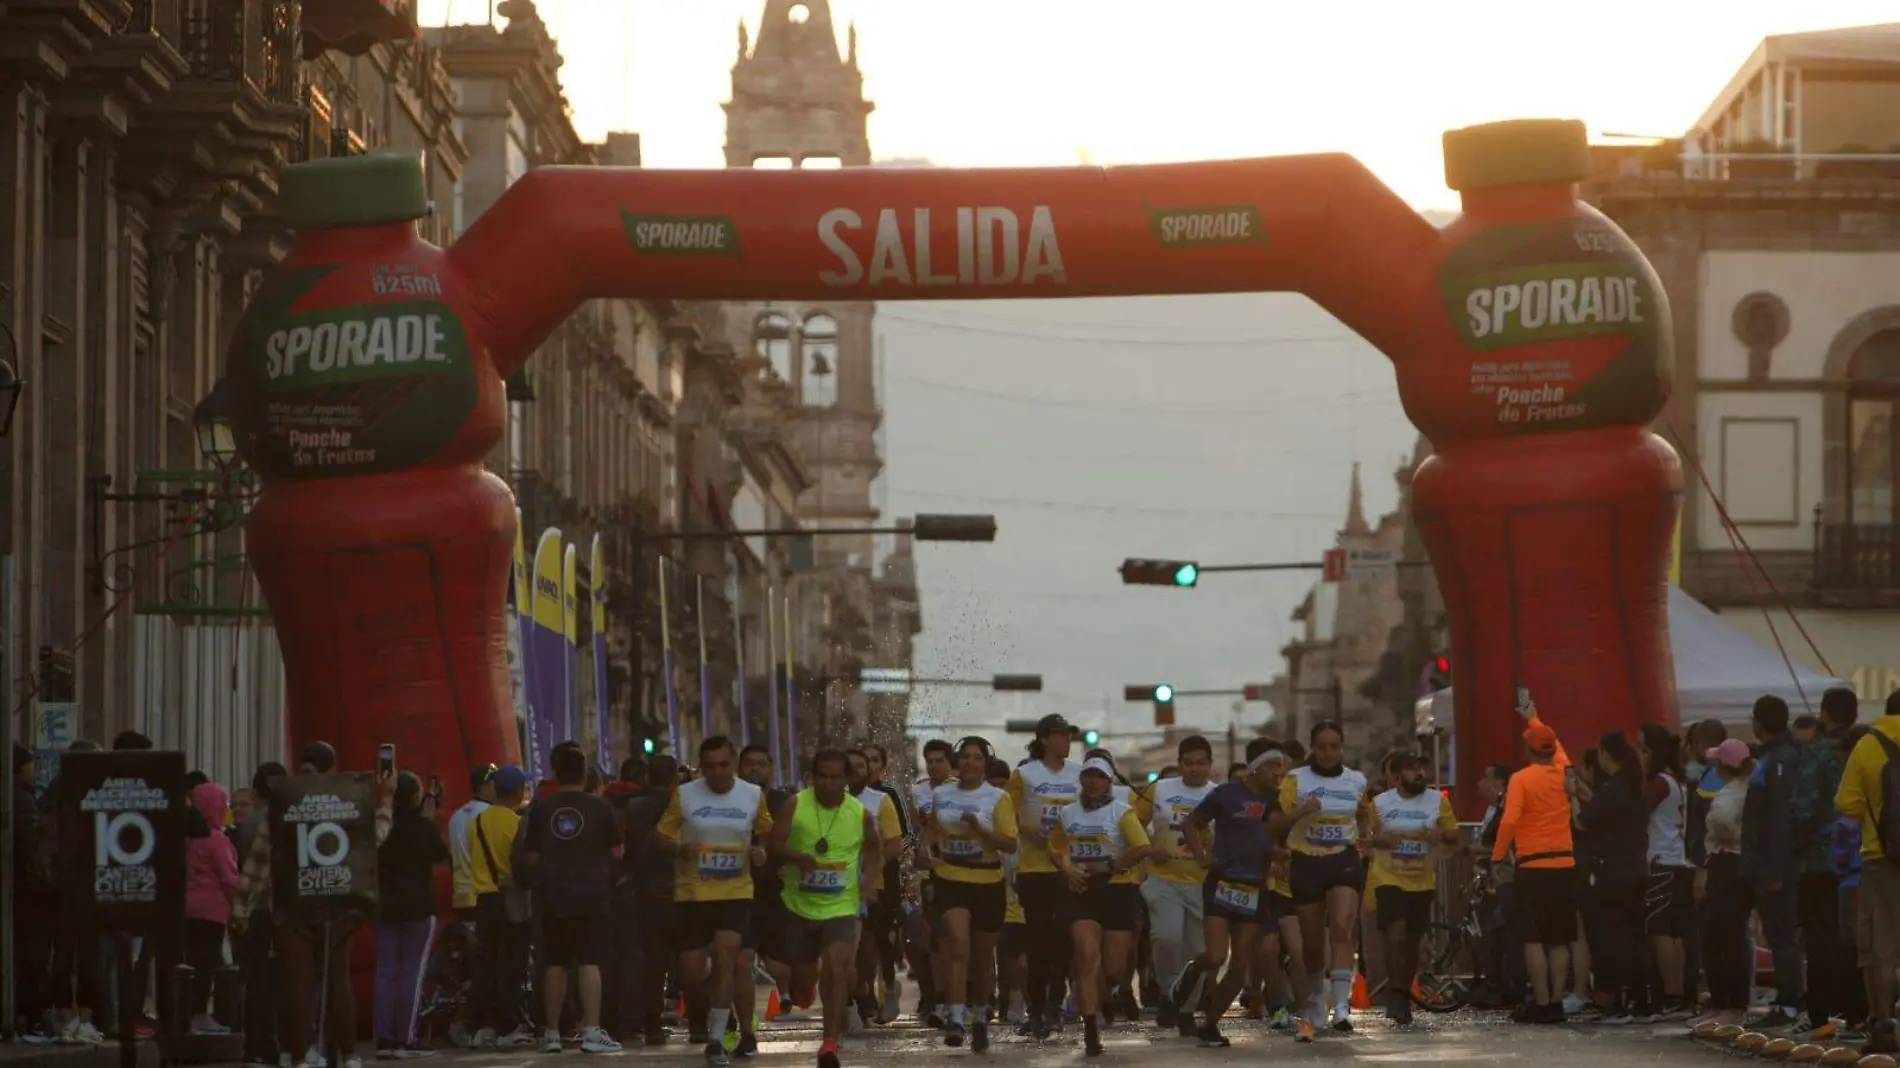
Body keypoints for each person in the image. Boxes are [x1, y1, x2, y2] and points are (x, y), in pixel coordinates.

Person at [231, 742, 394, 1068]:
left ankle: (300, 1054)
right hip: (339, 897)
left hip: (294, 900)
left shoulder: (285, 800)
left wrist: (240, 908)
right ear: (332, 767)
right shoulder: (348, 797)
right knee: (338, 979)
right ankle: (348, 1054)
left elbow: (260, 862)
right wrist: (386, 797)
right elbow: (376, 835)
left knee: (297, 980)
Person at [656, 736, 774, 1068]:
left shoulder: (752, 795)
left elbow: (766, 831)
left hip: (735, 893)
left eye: (724, 765)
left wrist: (761, 850)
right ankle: (715, 1004)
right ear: (701, 767)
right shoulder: (685, 795)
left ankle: (716, 1039)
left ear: (733, 763)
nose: (718, 772)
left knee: (727, 961)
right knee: (692, 974)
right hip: (692, 894)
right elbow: (661, 836)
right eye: (710, 766)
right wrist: (679, 848)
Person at [1176, 740, 1303, 1045]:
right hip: (1221, 882)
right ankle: (1193, 970)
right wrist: (1202, 855)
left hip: (1253, 888)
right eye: (1273, 766)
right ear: (1256, 766)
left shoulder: (1276, 799)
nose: (1278, 772)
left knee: (1240, 965)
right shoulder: (1225, 794)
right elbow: (1190, 823)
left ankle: (1209, 1024)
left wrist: (1278, 854)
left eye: (1281, 767)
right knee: (1216, 956)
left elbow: (1272, 835)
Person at [766, 750, 881, 1068]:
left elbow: (874, 848)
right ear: (813, 777)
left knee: (837, 968)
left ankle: (829, 1044)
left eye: (835, 777)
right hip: (799, 905)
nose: (829, 783)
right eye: (823, 776)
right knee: (805, 978)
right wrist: (796, 857)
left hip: (841, 904)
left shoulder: (858, 812)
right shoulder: (796, 805)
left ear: (847, 779)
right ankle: (804, 988)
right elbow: (772, 844)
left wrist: (868, 880)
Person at [1048, 757, 1158, 1056]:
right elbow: (1056, 848)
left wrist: (1108, 866)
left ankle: (1102, 995)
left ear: (1109, 781)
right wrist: (1067, 870)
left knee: (1112, 968)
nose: (1093, 782)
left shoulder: (1122, 813)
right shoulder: (1068, 813)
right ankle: (1090, 1026)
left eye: (1099, 777)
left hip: (1117, 891)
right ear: (1081, 780)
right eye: (1088, 777)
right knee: (1086, 955)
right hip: (1081, 891)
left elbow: (1140, 849)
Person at [520, 745, 624, 1054]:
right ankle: (591, 1031)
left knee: (555, 963)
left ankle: (551, 1034)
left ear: (554, 772)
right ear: (584, 773)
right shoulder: (601, 808)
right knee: (590, 962)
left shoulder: (540, 809)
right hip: (592, 895)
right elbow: (617, 852)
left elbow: (531, 856)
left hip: (553, 897)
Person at [926, 736, 1019, 1051]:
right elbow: (932, 830)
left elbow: (1010, 844)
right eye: (964, 757)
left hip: (987, 880)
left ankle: (980, 1015)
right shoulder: (941, 793)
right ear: (957, 761)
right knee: (957, 946)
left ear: (985, 763)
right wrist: (928, 852)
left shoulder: (998, 798)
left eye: (976, 758)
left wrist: (980, 830)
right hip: (951, 878)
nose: (969, 763)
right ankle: (954, 1018)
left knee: (981, 959)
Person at [1280, 721, 1372, 1032]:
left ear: (1341, 748)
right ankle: (1318, 1000)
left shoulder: (1356, 780)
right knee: (1313, 942)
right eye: (1322, 747)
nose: (1329, 752)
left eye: (1335, 746)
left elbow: (1363, 813)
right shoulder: (1296, 780)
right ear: (1313, 748)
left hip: (1343, 860)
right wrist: (1301, 811)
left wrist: (1365, 838)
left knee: (1343, 929)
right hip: (1306, 862)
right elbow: (1279, 821)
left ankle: (1343, 1006)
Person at [1489, 704, 1575, 1024]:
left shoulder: (1521, 779)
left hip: (1533, 865)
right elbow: (1560, 749)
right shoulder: (1564, 773)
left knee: (1533, 937)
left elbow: (1510, 820)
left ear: (1527, 750)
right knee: (1559, 938)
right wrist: (1535, 719)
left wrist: (1497, 856)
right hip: (1565, 864)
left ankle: (1540, 1002)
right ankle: (1556, 1002)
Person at [1365, 752, 1459, 1027]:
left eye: (1421, 768)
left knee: (1411, 941)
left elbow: (1454, 835)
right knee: (1396, 934)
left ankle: (1403, 991)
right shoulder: (1380, 803)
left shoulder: (1437, 802)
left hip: (1422, 880)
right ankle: (1396, 994)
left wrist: (1441, 835)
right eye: (1411, 769)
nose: (1419, 773)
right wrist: (1379, 840)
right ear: (1395, 777)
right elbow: (1366, 838)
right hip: (1388, 877)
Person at [1006, 714, 1083, 1039]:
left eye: (1069, 736)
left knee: (1064, 942)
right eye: (1061, 735)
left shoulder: (1079, 774)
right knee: (1039, 944)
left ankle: (1055, 1005)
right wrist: (1028, 829)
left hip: (1070, 869)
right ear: (1043, 739)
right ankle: (1037, 1010)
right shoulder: (1024, 774)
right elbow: (1006, 814)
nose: (1067, 741)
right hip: (1034, 869)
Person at [1834, 689, 1900, 1054]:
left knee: (1882, 948)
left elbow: (1847, 802)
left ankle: (1883, 1023)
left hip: (1881, 857)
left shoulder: (1869, 745)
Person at [1135, 735, 1216, 1032]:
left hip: (1202, 885)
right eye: (1189, 763)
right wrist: (1146, 848)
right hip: (1163, 880)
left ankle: (1185, 1009)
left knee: (1198, 951)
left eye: (1201, 763)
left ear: (1210, 765)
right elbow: (1133, 824)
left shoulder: (1217, 795)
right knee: (1166, 937)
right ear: (1180, 765)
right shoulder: (1159, 790)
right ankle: (1169, 992)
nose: (1195, 769)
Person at [1573, 732, 1650, 1021]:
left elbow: (1583, 822)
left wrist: (1572, 798)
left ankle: (1614, 997)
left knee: (1611, 938)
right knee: (1635, 936)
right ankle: (1640, 998)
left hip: (1610, 872)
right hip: (1636, 868)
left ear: (1606, 754)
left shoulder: (1611, 789)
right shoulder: (1634, 787)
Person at [1796, 687, 1859, 1040]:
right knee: (1855, 936)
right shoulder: (1867, 748)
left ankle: (1820, 1013)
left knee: (1820, 936)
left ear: (1825, 714)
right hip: (1862, 857)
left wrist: (1795, 846)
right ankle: (1859, 1011)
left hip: (1820, 858)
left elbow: (1803, 807)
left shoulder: (1817, 753)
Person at [1743, 695, 1806, 1030]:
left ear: (1761, 721)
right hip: (1764, 863)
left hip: (1775, 866)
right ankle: (1787, 997)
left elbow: (1781, 817)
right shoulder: (1770, 758)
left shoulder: (1782, 759)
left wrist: (1775, 869)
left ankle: (1790, 1001)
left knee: (1782, 935)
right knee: (1776, 931)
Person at [375, 771, 449, 1058]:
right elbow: (440, 854)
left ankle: (383, 1039)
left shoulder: (382, 824)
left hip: (385, 904)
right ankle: (406, 1038)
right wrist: (430, 819)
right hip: (418, 904)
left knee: (385, 971)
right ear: (416, 796)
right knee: (411, 973)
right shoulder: (423, 826)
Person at [467, 765, 534, 1050]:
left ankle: (480, 1027)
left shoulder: (477, 822)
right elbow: (521, 866)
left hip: (483, 900)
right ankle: (506, 1026)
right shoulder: (516, 823)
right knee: (512, 966)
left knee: (486, 966)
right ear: (518, 791)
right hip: (510, 902)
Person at [622, 753, 679, 1045]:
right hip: (682, 890)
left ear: (647, 777)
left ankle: (652, 1025)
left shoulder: (635, 807)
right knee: (690, 958)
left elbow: (631, 850)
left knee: (652, 963)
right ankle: (699, 1022)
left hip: (647, 892)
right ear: (675, 780)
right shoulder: (681, 805)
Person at [1637, 724, 1694, 1021]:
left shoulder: (1659, 783)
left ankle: (1672, 994)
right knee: (1675, 933)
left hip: (1660, 862)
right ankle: (1680, 993)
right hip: (1678, 861)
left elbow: (1636, 813)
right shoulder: (1678, 781)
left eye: (1642, 749)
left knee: (1660, 933)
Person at [845, 748, 903, 1030]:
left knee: (866, 948)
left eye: (861, 766)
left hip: (870, 888)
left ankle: (864, 991)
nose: (855, 771)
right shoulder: (824, 801)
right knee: (841, 949)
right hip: (830, 888)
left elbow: (894, 843)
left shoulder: (880, 801)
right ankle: (853, 997)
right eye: (850, 766)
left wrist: (869, 874)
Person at [1698, 738, 1754, 1025]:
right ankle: (1729, 1001)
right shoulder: (1751, 788)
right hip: (1739, 865)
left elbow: (1721, 821)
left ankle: (1729, 1003)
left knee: (1721, 937)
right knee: (1731, 936)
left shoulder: (1730, 795)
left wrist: (1730, 836)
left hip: (1725, 862)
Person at [861, 742, 912, 1023]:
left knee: (884, 938)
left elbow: (907, 835)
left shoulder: (889, 794)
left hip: (886, 874)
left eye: (873, 761)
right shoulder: (843, 794)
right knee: (861, 940)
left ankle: (889, 989)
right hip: (852, 876)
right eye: (862, 761)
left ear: (882, 766)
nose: (867, 766)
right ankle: (863, 994)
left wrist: (882, 853)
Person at [185, 781, 239, 1035]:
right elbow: (229, 878)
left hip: (184, 910)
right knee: (206, 964)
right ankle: (198, 1015)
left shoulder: (184, 837)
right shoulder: (217, 840)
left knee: (189, 963)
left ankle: (184, 1014)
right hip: (211, 911)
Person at [911, 740, 956, 1025]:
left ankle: (971, 999)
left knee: (962, 942)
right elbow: (916, 831)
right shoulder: (917, 792)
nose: (935, 766)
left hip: (965, 874)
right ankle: (940, 999)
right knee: (937, 940)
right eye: (930, 761)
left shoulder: (962, 790)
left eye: (940, 760)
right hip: (931, 874)